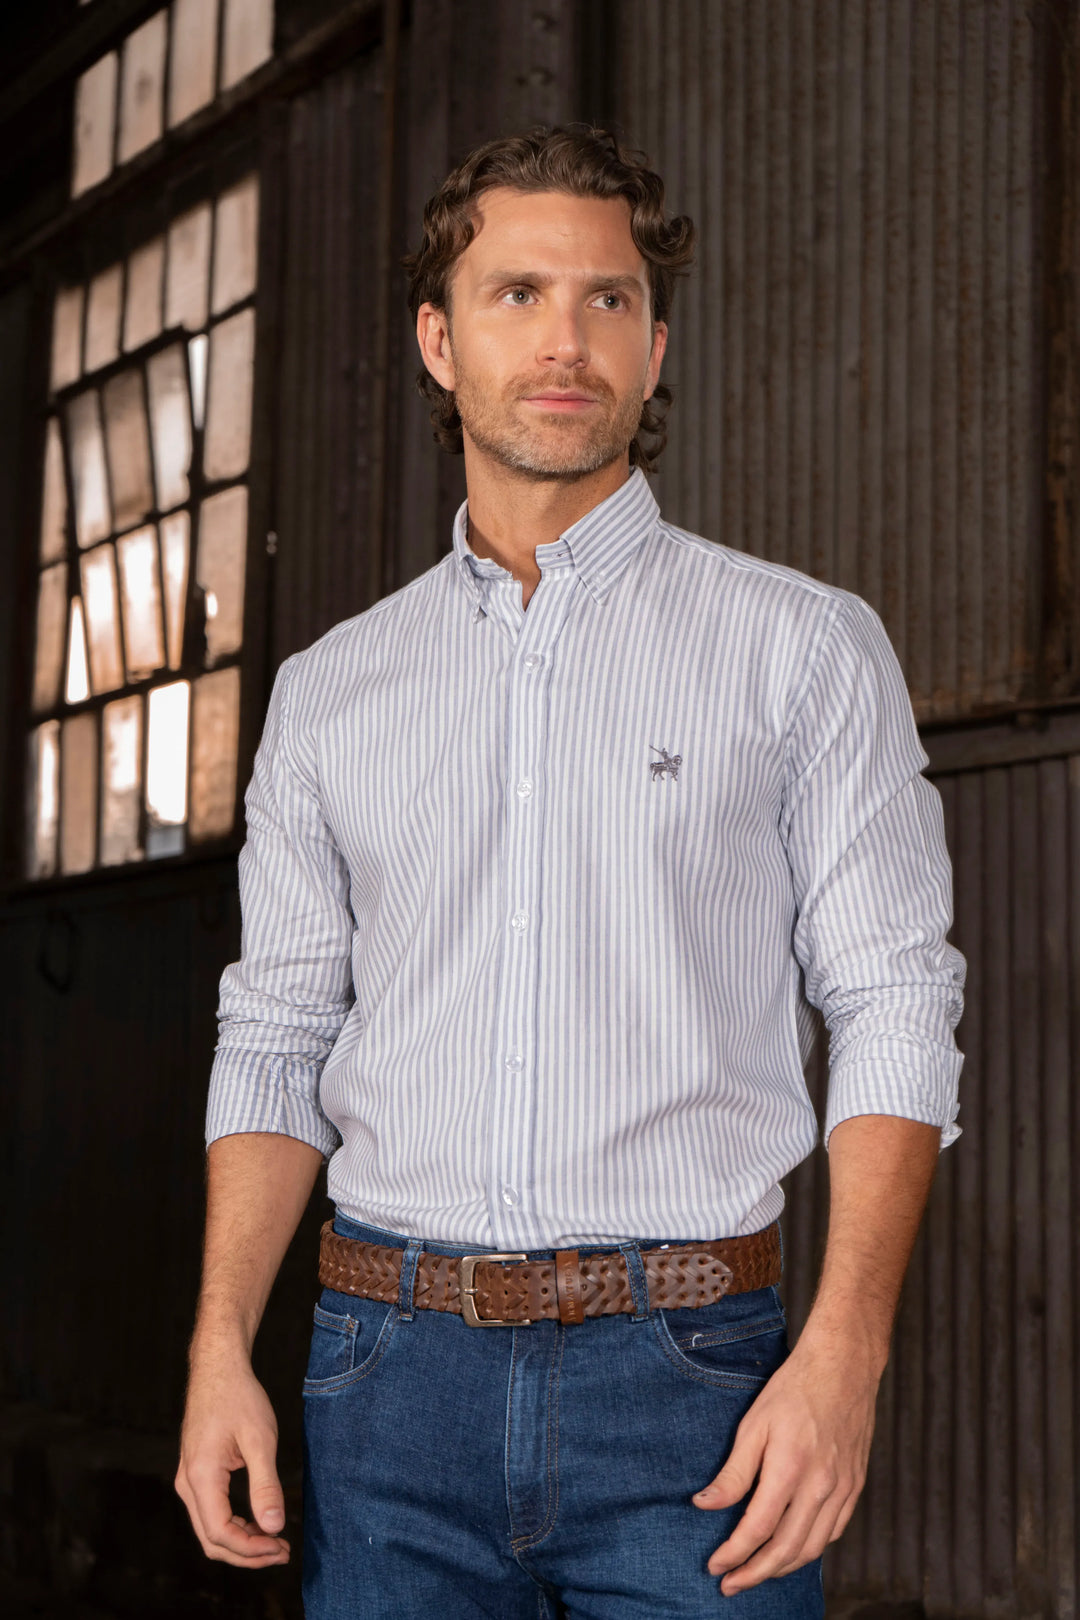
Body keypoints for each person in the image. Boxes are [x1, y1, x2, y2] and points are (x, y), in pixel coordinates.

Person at [175, 126, 964, 1619]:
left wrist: (846, 1357)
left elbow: (895, 1003)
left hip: (695, 1385)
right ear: (438, 339)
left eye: (609, 299)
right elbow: (276, 1035)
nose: (565, 340)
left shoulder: (799, 648)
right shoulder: (332, 693)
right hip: (384, 1380)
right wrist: (221, 1345)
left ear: (655, 349)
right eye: (517, 292)